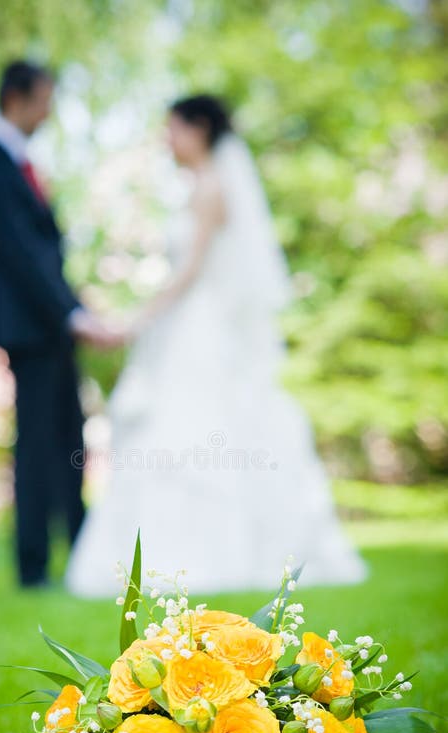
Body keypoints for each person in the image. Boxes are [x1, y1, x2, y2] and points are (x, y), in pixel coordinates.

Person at [66, 94, 367, 597]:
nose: (168, 140)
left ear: (199, 128)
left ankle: (199, 557)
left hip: (198, 331)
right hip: (188, 327)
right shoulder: (202, 186)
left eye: (173, 129)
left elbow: (189, 273)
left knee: (194, 436)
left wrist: (134, 321)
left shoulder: (210, 189)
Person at [0, 60, 121, 588]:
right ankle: (33, 568)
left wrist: (76, 308)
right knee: (36, 448)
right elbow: (23, 258)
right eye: (45, 99)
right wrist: (72, 313)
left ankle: (80, 556)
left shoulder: (17, 164)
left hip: (50, 329)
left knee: (69, 443)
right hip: (31, 333)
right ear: (17, 98)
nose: (50, 110)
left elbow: (44, 260)